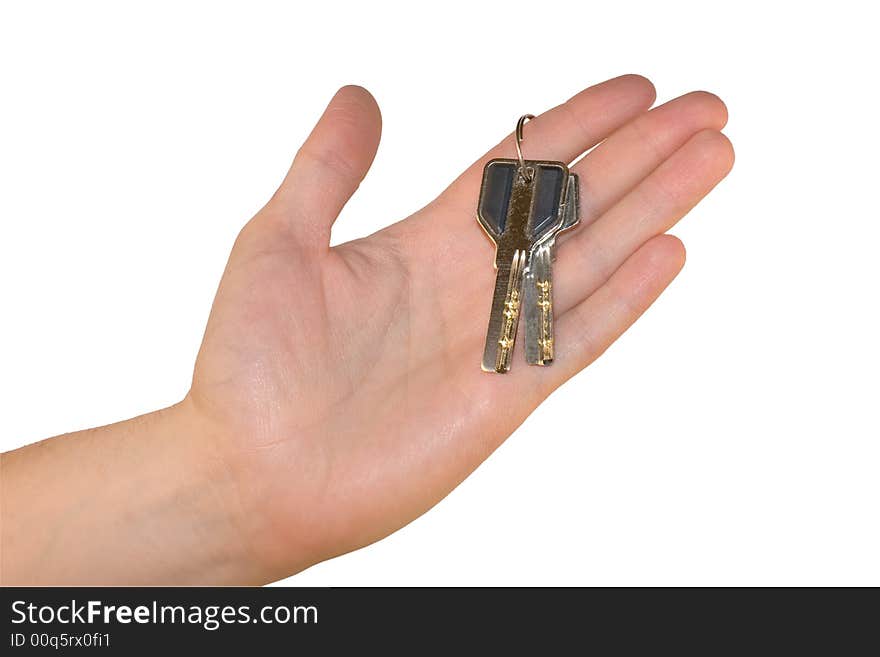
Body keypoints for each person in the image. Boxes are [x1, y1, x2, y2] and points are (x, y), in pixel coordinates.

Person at [0, 75, 733, 585]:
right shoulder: (508, 199)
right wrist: (231, 478)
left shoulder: (535, 196)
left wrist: (228, 479)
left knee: (542, 297)